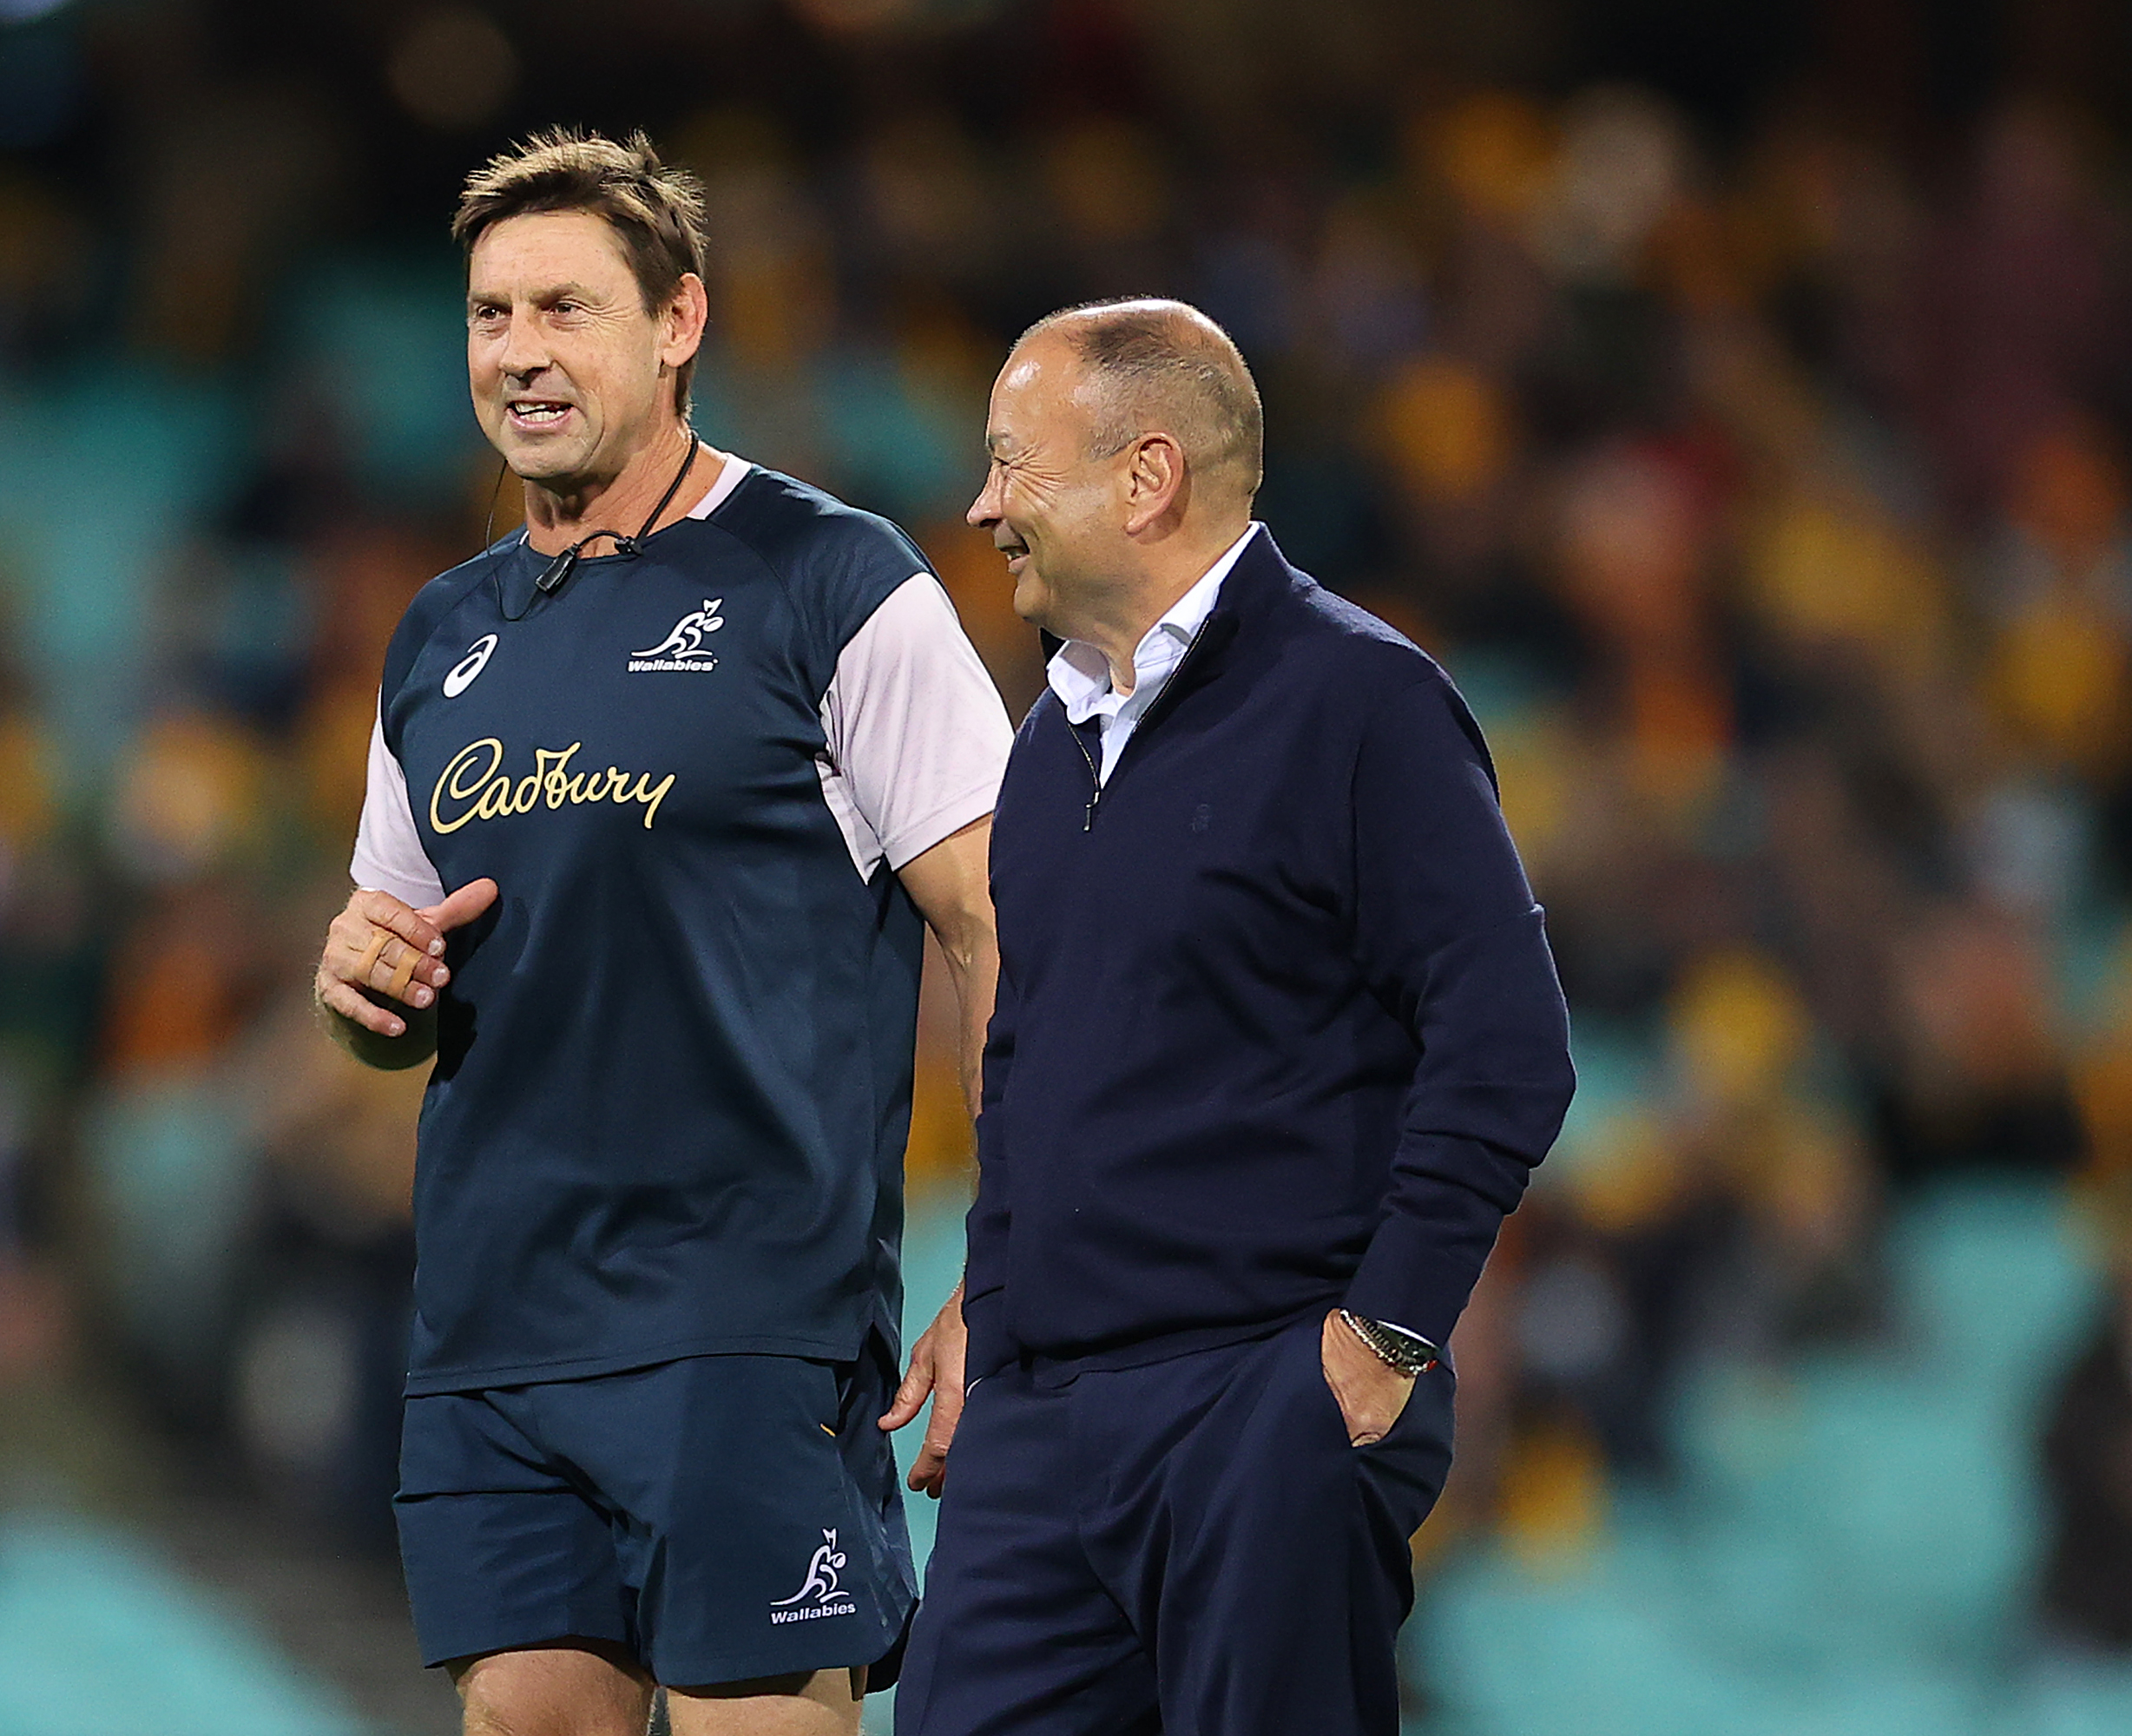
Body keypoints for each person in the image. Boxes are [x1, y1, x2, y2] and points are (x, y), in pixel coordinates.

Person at [309, 130, 1007, 1736]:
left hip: (745, 1318)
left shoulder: (835, 580)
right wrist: (365, 989)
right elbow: (394, 960)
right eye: (490, 316)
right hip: (496, 1322)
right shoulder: (441, 634)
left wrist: (1010, 1257)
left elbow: (998, 923)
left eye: (566, 307)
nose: (520, 353)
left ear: (678, 322)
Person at [895, 299, 1576, 1736]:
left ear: (1147, 479)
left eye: (1015, 466)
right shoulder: (1045, 745)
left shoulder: (1362, 702)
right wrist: (997, 1317)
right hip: (1042, 1428)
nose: (982, 507)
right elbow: (1023, 1074)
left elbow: (1507, 1039)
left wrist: (1382, 1338)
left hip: (1264, 1399)